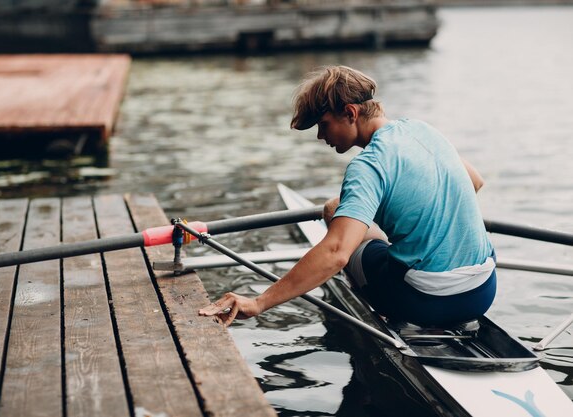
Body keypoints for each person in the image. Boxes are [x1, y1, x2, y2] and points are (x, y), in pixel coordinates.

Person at [199, 65, 496, 327]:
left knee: (333, 210)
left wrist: (259, 302)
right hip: (483, 290)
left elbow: (336, 253)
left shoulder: (368, 165)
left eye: (322, 125)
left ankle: (379, 310)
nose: (320, 136)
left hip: (423, 303)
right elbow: (475, 182)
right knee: (359, 220)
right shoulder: (423, 130)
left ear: (350, 113)